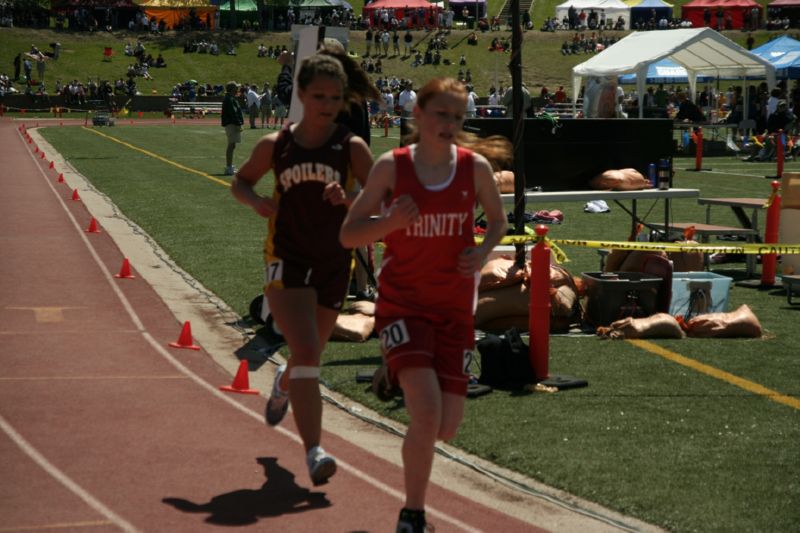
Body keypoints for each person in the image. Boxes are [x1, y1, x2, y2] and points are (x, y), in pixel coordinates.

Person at [339, 77, 510, 533]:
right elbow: (349, 234)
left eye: (458, 116)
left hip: (454, 311)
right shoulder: (391, 168)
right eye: (441, 114)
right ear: (417, 115)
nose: (450, 124)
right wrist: (390, 220)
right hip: (403, 307)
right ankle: (412, 515)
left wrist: (482, 249)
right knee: (427, 412)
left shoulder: (474, 169)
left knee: (447, 427)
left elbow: (498, 221)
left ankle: (390, 369)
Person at [231, 54, 373, 486]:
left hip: (333, 261)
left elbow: (379, 201)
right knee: (309, 352)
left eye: (334, 97)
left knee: (308, 354)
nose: (327, 105)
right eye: (318, 97)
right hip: (286, 260)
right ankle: (314, 451)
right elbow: (242, 181)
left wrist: (349, 198)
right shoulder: (277, 144)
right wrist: (255, 202)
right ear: (300, 95)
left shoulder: (352, 148)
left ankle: (285, 380)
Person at [221, 81, 244, 175]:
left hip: (232, 123)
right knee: (231, 145)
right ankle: (228, 167)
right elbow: (233, 112)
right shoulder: (229, 99)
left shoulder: (231, 98)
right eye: (236, 87)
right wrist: (238, 123)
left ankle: (229, 166)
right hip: (232, 124)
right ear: (232, 89)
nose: (237, 89)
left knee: (232, 145)